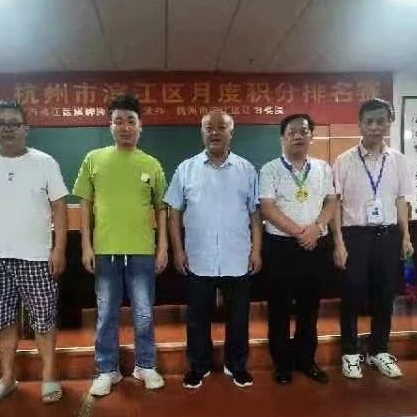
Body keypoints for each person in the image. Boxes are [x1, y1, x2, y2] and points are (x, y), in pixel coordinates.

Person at [0, 99, 68, 405]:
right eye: (0, 124)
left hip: (36, 257)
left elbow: (59, 206)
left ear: (26, 128)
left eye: (13, 124)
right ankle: (7, 378)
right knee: (2, 320)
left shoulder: (44, 162)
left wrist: (59, 249)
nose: (7, 129)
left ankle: (49, 376)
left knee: (44, 320)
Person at [73, 94, 168, 397]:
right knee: (106, 314)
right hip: (105, 250)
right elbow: (84, 204)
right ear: (110, 126)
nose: (125, 127)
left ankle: (145, 365)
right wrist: (86, 246)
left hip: (142, 250)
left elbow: (162, 208)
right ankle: (107, 369)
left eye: (131, 121)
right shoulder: (94, 159)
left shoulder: (151, 164)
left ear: (140, 127)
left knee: (144, 313)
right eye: (118, 121)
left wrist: (163, 247)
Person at [165, 110, 261, 389]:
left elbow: (255, 214)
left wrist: (256, 250)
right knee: (197, 318)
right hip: (199, 257)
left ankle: (237, 365)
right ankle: (199, 366)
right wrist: (178, 250)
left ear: (231, 132)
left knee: (238, 317)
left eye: (221, 127)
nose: (215, 132)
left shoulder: (246, 169)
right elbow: (173, 212)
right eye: (209, 127)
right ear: (202, 132)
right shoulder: (186, 169)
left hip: (237, 256)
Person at [331, 98, 414, 380]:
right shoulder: (344, 160)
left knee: (385, 294)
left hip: (388, 235)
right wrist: (339, 242)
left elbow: (401, 201)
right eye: (369, 121)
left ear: (389, 123)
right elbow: (335, 204)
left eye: (381, 121)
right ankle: (350, 352)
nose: (375, 127)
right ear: (360, 124)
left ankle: (379, 349)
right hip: (355, 236)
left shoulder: (398, 160)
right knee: (351, 294)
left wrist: (405, 236)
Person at [259, 114, 337, 385]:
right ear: (282, 138)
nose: (298, 136)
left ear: (311, 136)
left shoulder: (323, 168)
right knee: (279, 309)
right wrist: (299, 232)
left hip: (315, 245)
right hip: (281, 247)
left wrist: (317, 227)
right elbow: (267, 208)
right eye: (291, 132)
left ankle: (306, 360)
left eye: (303, 131)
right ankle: (282, 364)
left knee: (309, 308)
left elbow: (331, 202)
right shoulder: (270, 169)